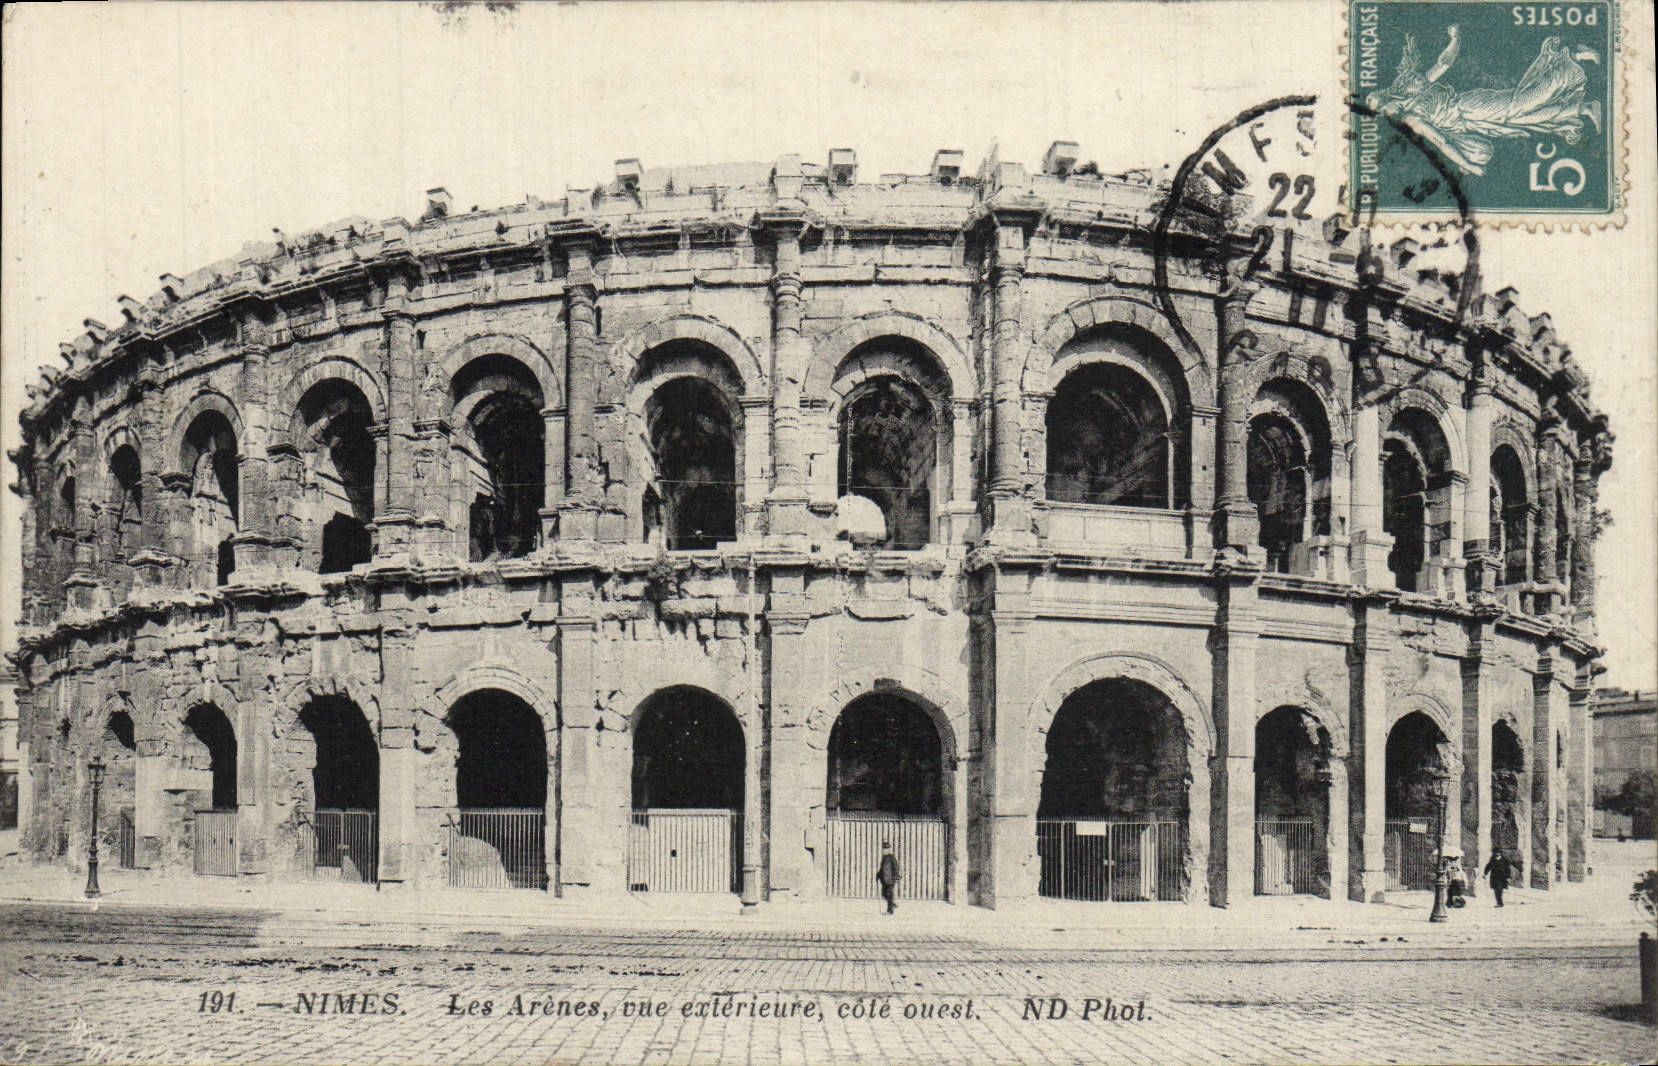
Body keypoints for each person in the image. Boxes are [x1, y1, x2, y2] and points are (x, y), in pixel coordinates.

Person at [876, 842, 900, 915]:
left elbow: (896, 868)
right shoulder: (884, 858)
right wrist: (878, 875)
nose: (885, 850)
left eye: (887, 849)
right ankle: (892, 903)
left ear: (889, 850)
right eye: (884, 849)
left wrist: (894, 877)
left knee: (889, 894)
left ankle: (890, 911)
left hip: (890, 880)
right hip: (884, 880)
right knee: (884, 894)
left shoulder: (891, 857)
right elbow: (882, 869)